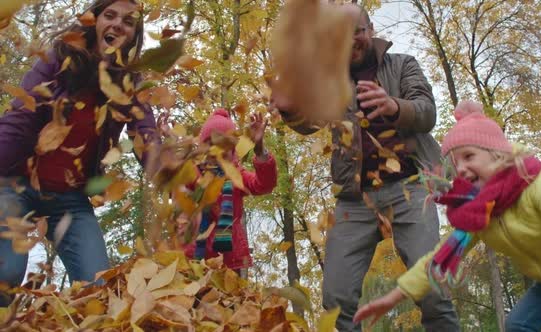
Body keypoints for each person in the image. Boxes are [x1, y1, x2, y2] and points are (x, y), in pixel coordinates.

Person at [274, 4, 459, 331]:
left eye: (356, 30)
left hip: (411, 189)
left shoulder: (402, 65)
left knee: (430, 285)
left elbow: (427, 112)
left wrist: (393, 106)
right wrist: (291, 112)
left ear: (370, 30)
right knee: (336, 298)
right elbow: (310, 122)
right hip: (355, 200)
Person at [354, 101, 541, 331]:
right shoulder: (477, 214)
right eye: (456, 164)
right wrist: (395, 296)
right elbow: (439, 259)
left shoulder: (529, 184)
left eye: (469, 156)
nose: (462, 168)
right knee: (517, 325)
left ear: (497, 154)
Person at [0, 0, 158, 306]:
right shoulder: (56, 59)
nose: (117, 25)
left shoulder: (130, 84)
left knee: (99, 288)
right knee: (5, 271)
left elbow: (146, 139)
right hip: (16, 183)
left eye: (128, 21)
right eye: (109, 15)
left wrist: (174, 169)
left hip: (68, 198)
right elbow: (21, 119)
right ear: (93, 21)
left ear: (133, 35)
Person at [181, 109, 277, 276]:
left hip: (230, 261)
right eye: (212, 143)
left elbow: (264, 185)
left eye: (224, 144)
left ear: (232, 149)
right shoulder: (193, 173)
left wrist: (260, 149)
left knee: (231, 300)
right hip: (194, 256)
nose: (218, 150)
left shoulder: (236, 176)